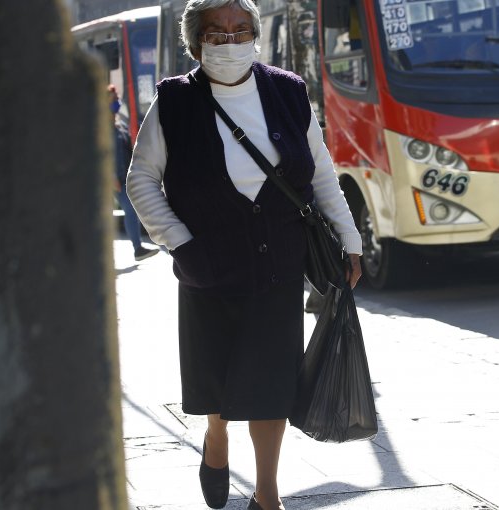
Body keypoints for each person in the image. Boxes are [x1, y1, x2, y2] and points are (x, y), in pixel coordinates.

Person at [126, 1, 363, 509]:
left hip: (278, 263)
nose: (229, 42)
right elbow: (141, 178)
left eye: (240, 31)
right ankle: (216, 436)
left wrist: (351, 239)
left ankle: (267, 496)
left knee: (270, 380)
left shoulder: (287, 91)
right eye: (216, 33)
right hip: (206, 265)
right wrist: (180, 243)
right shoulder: (173, 101)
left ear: (256, 36)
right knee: (216, 375)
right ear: (195, 44)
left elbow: (320, 173)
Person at [109, 85, 158, 261]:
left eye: (116, 99)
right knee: (126, 210)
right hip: (110, 180)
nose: (116, 102)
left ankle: (138, 249)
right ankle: (135, 249)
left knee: (131, 209)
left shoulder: (119, 125)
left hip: (124, 177)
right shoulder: (100, 127)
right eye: (113, 100)